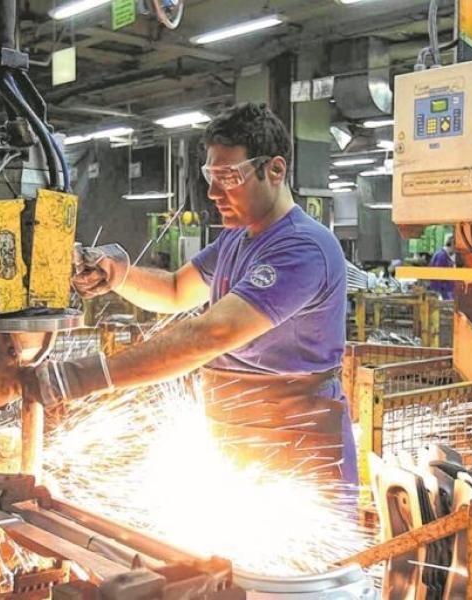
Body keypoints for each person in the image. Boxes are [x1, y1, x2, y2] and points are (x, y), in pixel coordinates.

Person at [22, 103, 357, 485]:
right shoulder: (235, 237)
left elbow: (212, 333)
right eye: (210, 176)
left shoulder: (302, 247)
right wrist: (119, 274)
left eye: (228, 177)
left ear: (275, 170)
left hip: (296, 453)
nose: (212, 192)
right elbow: (176, 290)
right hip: (237, 440)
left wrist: (77, 378)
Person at [428, 234, 455, 300]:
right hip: (443, 292)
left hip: (445, 291)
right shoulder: (441, 256)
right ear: (452, 245)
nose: (455, 251)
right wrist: (439, 293)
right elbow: (437, 276)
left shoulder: (444, 255)